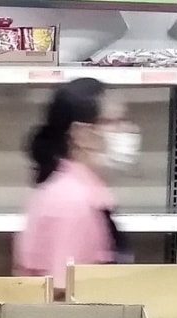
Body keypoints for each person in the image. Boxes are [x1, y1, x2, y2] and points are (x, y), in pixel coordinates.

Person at [13, 77, 139, 297]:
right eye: (114, 121)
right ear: (82, 134)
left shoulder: (83, 192)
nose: (127, 129)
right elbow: (62, 295)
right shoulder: (71, 202)